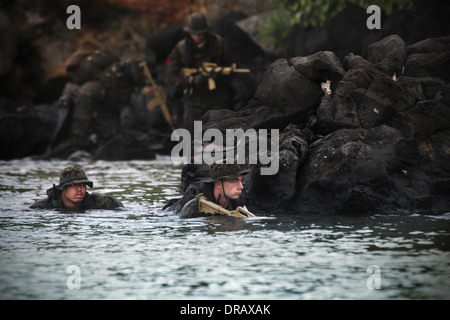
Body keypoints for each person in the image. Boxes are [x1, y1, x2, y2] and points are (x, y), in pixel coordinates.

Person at [48, 43, 156, 157]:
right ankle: (51, 157)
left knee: (113, 138)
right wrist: (144, 85)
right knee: (77, 138)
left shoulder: (122, 78)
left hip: (105, 105)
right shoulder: (128, 67)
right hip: (87, 99)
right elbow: (132, 63)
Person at [165, 12, 235, 134]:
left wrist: (218, 75)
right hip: (193, 101)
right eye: (193, 34)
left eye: (200, 33)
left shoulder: (218, 44)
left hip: (217, 98)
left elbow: (232, 66)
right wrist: (191, 80)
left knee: (220, 138)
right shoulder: (181, 49)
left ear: (205, 31)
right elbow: (171, 76)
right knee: (191, 139)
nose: (197, 37)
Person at [30, 165, 123, 211]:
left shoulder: (98, 202)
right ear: (62, 188)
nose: (79, 189)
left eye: (83, 185)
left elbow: (119, 206)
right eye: (74, 185)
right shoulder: (42, 207)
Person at [180, 160, 251, 218]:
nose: (241, 187)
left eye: (241, 181)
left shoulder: (237, 205)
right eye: (235, 181)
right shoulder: (194, 208)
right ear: (219, 184)